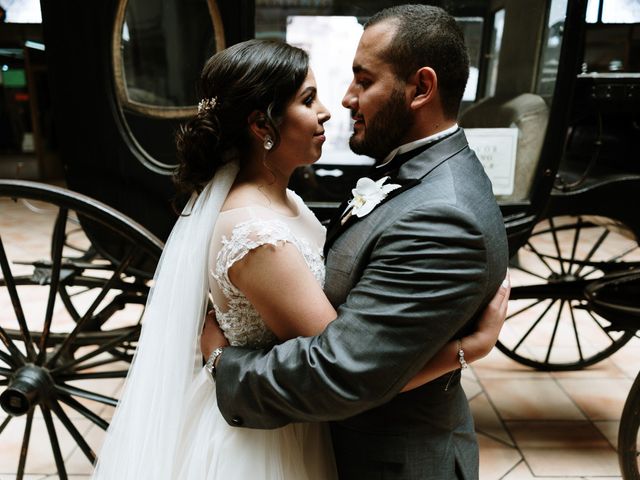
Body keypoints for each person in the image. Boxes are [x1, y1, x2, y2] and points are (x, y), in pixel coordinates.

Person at [92, 35, 508, 480]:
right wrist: (467, 349)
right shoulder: (257, 233)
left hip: (302, 420)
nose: (330, 108)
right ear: (262, 125)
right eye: (309, 100)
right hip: (265, 441)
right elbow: (347, 372)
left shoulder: (286, 202)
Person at [201, 5, 509, 480]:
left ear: (421, 89)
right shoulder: (411, 171)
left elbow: (339, 373)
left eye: (363, 81)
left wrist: (223, 362)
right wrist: (468, 348)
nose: (344, 100)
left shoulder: (442, 216)